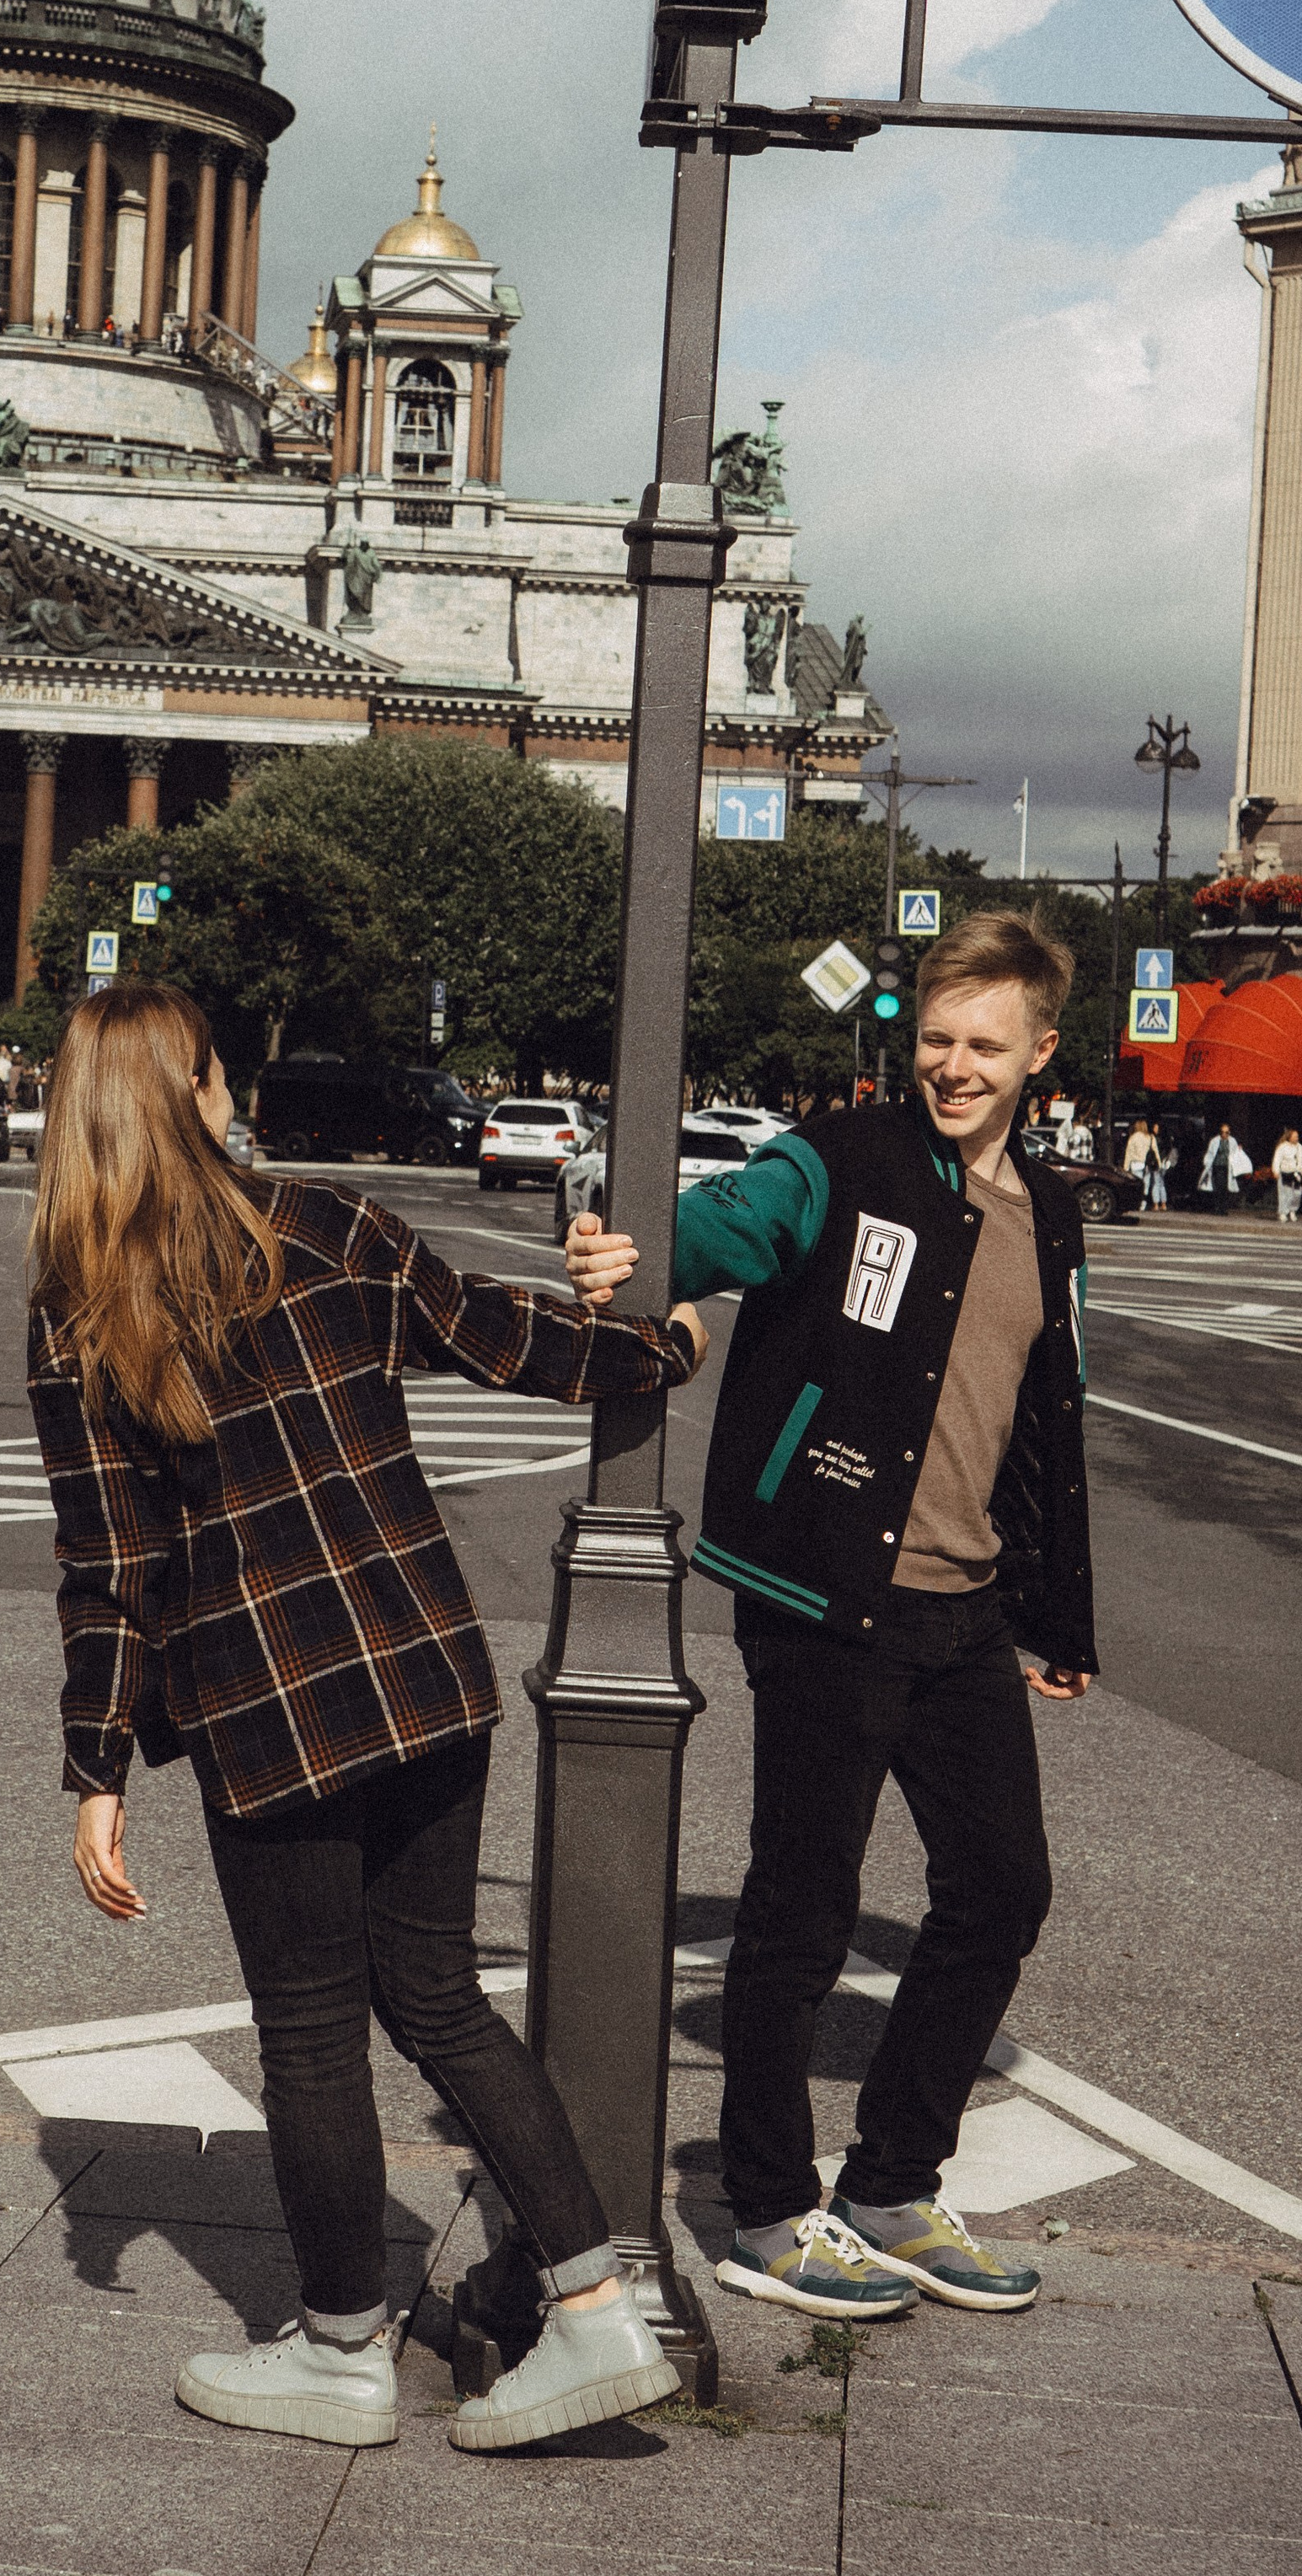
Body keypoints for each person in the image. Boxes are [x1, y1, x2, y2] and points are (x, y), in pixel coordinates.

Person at [27, 982, 705, 2456]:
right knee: (443, 1999)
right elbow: (517, 1344)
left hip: (266, 1714)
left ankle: (341, 2354)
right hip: (424, 1677)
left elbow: (112, 1566)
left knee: (314, 2035)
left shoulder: (82, 1316)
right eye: (220, 1074)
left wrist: (97, 1768)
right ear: (197, 1092)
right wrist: (669, 1346)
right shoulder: (329, 1227)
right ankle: (598, 2309)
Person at [571, 909, 1096, 2324]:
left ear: (1041, 1054)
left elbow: (1046, 1422)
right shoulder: (841, 1161)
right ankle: (767, 2211)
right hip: (826, 1592)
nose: (955, 1066)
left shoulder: (1050, 1214)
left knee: (1002, 1891)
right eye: (938, 1038)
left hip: (964, 1611)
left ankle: (891, 2190)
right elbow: (716, 1227)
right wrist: (645, 1264)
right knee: (801, 1912)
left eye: (986, 1045)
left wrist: (1062, 1615)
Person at [1200, 1121, 1252, 1213]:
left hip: (1227, 1167)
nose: (1224, 1134)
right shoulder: (1215, 1141)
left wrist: (1239, 1149)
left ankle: (1223, 1208)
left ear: (1229, 1133)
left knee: (1225, 1188)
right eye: (1222, 1132)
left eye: (1226, 1132)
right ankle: (1218, 1207)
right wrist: (1206, 1163)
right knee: (1218, 1186)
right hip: (1217, 1166)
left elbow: (1235, 1153)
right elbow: (1210, 1153)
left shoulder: (1232, 1141)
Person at [1273, 1127, 1302, 1224]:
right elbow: (1277, 1159)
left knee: (1297, 1194)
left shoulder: (1299, 1147)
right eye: (1295, 1136)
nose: (1297, 1138)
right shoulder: (1283, 1147)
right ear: (1289, 1137)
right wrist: (1276, 1171)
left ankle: (1292, 1211)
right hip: (1285, 1173)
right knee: (1285, 1194)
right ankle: (1283, 1213)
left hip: (1296, 1173)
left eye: (1297, 1136)